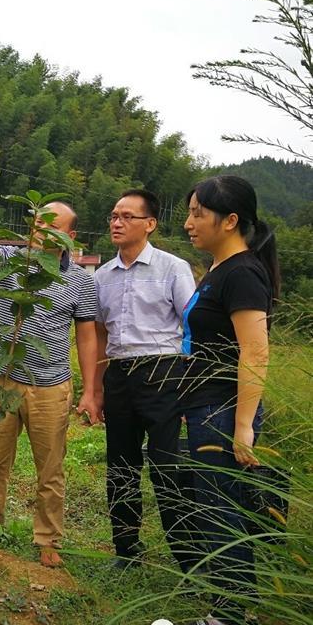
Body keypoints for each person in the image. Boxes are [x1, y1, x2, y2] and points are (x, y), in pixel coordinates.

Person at [0, 203, 99, 568]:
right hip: (3, 380)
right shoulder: (10, 262)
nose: (41, 229)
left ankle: (48, 539)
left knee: (50, 467)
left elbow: (86, 338)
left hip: (50, 385)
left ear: (70, 236)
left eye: (51, 225)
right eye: (37, 222)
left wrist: (91, 389)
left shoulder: (81, 280)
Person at [179, 175, 279, 625]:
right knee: (216, 507)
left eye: (199, 213)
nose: (189, 223)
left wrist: (243, 425)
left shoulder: (241, 272)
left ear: (231, 220)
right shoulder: (221, 269)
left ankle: (232, 621)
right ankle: (233, 608)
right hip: (206, 408)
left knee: (222, 511)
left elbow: (255, 351)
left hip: (222, 412)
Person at [92, 188, 197, 572]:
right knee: (120, 466)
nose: (117, 222)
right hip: (119, 375)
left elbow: (192, 325)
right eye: (113, 216)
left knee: (168, 468)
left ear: (149, 224)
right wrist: (97, 388)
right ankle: (126, 551)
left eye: (127, 216)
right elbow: (101, 334)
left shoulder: (173, 268)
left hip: (163, 372)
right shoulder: (102, 275)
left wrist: (189, 385)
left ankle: (188, 559)